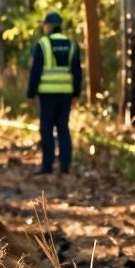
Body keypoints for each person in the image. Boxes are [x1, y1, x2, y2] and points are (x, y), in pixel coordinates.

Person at [27, 11, 83, 175]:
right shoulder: (71, 44)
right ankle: (65, 166)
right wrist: (76, 94)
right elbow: (77, 71)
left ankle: (47, 166)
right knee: (63, 129)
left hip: (47, 94)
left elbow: (35, 71)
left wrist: (31, 93)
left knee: (46, 129)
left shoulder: (43, 44)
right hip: (66, 93)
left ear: (49, 26)